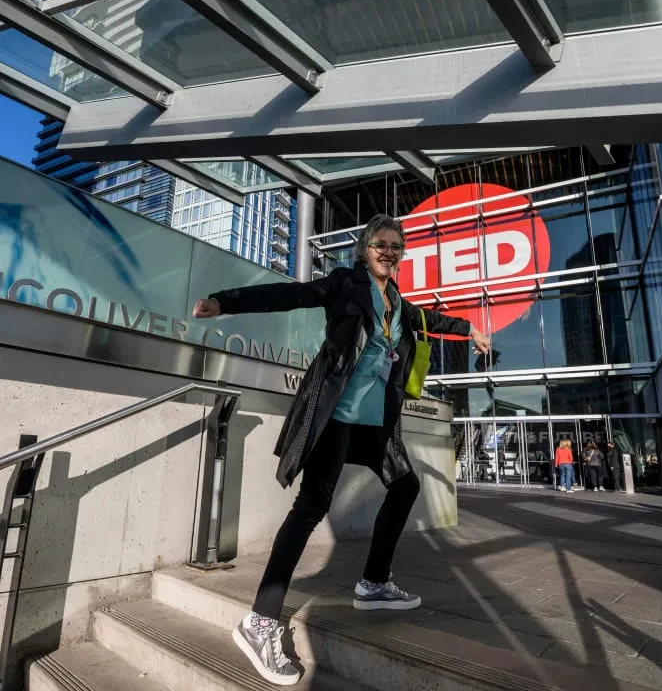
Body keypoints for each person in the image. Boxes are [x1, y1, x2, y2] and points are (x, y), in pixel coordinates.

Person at [192, 214, 490, 685]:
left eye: (396, 245)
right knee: (312, 505)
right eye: (380, 244)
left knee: (405, 486)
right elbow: (289, 296)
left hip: (375, 423)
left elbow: (432, 319)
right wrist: (223, 302)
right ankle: (260, 621)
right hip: (336, 414)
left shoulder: (398, 302)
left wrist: (468, 327)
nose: (388, 251)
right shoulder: (344, 284)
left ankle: (373, 584)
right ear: (363, 248)